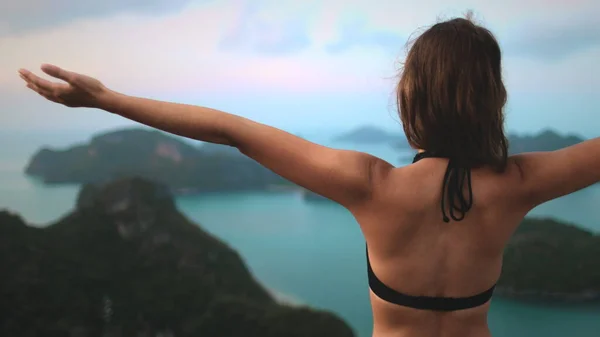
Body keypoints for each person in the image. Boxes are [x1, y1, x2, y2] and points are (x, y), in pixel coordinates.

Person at [18, 15, 599, 337]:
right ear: (492, 101)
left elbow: (230, 130)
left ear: (409, 96)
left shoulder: (373, 185)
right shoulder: (518, 183)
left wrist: (108, 101)